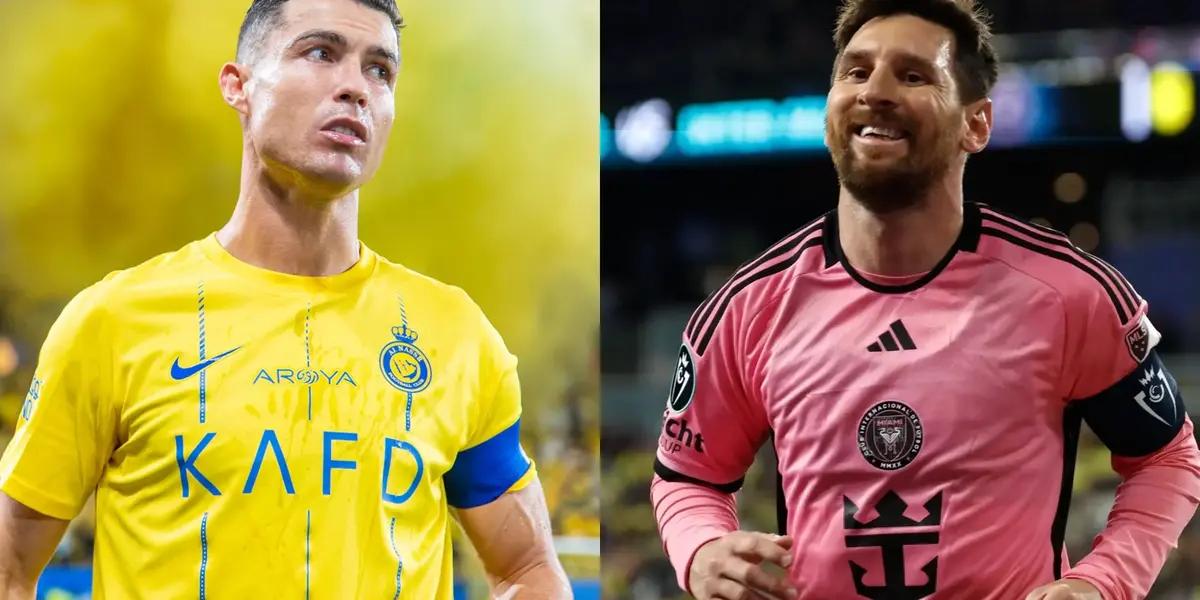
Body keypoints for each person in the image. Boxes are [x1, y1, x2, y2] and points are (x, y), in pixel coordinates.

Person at [0, 0, 571, 597]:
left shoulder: (455, 335)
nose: (355, 87)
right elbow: (11, 567)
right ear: (238, 86)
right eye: (321, 53)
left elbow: (526, 566)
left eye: (380, 70)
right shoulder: (111, 322)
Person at [650, 1, 1200, 599]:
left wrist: (1102, 583)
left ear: (977, 124)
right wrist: (700, 550)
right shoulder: (748, 309)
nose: (874, 91)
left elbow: (1167, 459)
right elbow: (688, 477)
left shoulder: (1068, 293)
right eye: (855, 72)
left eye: (913, 75)